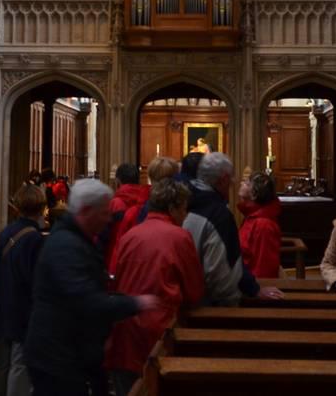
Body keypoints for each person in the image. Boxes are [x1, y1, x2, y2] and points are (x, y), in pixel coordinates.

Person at [25, 179, 156, 396]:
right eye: (104, 213)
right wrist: (135, 303)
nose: (108, 219)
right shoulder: (66, 245)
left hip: (70, 352)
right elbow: (85, 299)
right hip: (57, 356)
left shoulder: (78, 239)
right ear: (86, 211)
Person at [105, 179, 205, 396]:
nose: (185, 215)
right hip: (160, 333)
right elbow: (194, 290)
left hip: (126, 331)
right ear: (172, 208)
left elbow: (115, 278)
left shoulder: (130, 235)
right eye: (184, 209)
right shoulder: (179, 237)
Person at [184, 152, 283, 305]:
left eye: (246, 182)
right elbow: (226, 262)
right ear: (223, 179)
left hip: (196, 293)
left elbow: (260, 264)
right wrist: (252, 289)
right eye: (232, 178)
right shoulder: (219, 214)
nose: (235, 182)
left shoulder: (185, 203)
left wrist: (254, 289)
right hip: (216, 301)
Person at [0, 184, 47, 396]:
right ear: (41, 208)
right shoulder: (34, 238)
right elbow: (35, 280)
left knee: (2, 364)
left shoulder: (6, 232)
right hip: (22, 309)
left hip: (2, 305)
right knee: (19, 365)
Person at [102, 163, 149, 272]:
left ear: (118, 181)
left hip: (116, 257)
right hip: (141, 259)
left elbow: (105, 236)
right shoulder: (146, 202)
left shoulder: (115, 204)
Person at [239, 171, 282, 279]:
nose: (241, 183)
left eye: (246, 183)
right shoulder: (252, 217)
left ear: (255, 193)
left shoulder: (263, 225)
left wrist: (255, 287)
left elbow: (263, 267)